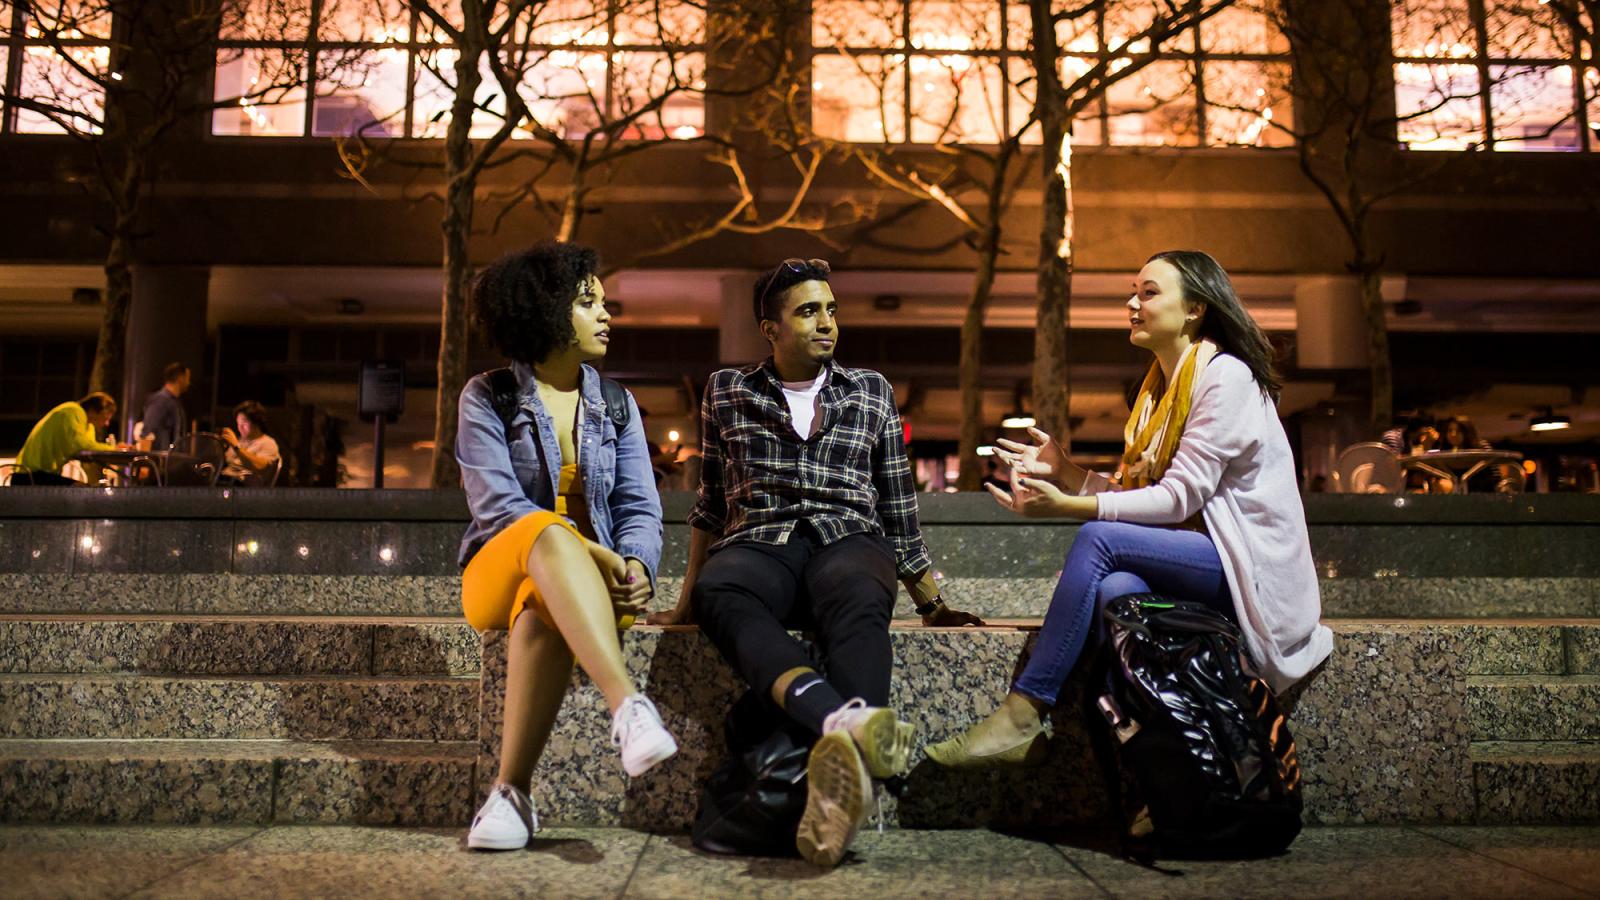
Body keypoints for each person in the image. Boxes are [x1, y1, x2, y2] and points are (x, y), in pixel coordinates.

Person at [925, 250, 1333, 768]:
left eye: (1148, 292)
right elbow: (1147, 494)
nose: (1131, 303)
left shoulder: (1225, 378)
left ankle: (1023, 713)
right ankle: (1145, 765)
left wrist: (1068, 504)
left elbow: (1179, 499)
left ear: (1195, 310)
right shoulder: (1159, 390)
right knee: (1117, 593)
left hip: (1247, 576)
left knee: (1099, 538)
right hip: (1203, 559)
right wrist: (1069, 472)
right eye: (1133, 292)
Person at [649, 257, 984, 868]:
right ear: (769, 328)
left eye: (831, 309)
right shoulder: (727, 390)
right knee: (722, 590)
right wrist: (686, 598)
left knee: (858, 593)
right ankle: (842, 719)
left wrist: (931, 602)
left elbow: (897, 506)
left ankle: (836, 797)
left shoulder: (870, 390)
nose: (827, 322)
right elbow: (710, 504)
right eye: (808, 311)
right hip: (761, 542)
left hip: (847, 539)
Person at [455, 242, 676, 852]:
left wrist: (634, 562)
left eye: (604, 302)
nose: (607, 314)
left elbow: (640, 507)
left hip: (591, 591)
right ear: (545, 312)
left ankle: (510, 796)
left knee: (542, 608)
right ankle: (628, 705)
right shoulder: (488, 396)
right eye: (587, 302)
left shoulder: (618, 404)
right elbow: (498, 507)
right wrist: (590, 551)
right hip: (497, 571)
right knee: (548, 537)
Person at [14, 393, 123, 485]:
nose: (107, 423)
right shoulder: (73, 411)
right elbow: (80, 446)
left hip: (42, 474)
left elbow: (87, 447)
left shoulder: (88, 425)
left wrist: (111, 448)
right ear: (94, 410)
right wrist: (114, 448)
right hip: (29, 475)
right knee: (82, 491)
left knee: (83, 489)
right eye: (106, 417)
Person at [217, 401, 281, 485]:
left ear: (257, 422)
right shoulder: (240, 440)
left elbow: (261, 467)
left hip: (244, 488)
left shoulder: (268, 443)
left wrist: (236, 447)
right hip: (225, 483)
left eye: (244, 423)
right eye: (238, 423)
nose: (240, 427)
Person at [141, 362, 191, 451]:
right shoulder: (160, 400)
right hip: (160, 461)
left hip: (170, 460)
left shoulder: (174, 402)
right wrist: (144, 463)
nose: (188, 383)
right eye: (187, 378)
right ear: (180, 378)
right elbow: (147, 432)